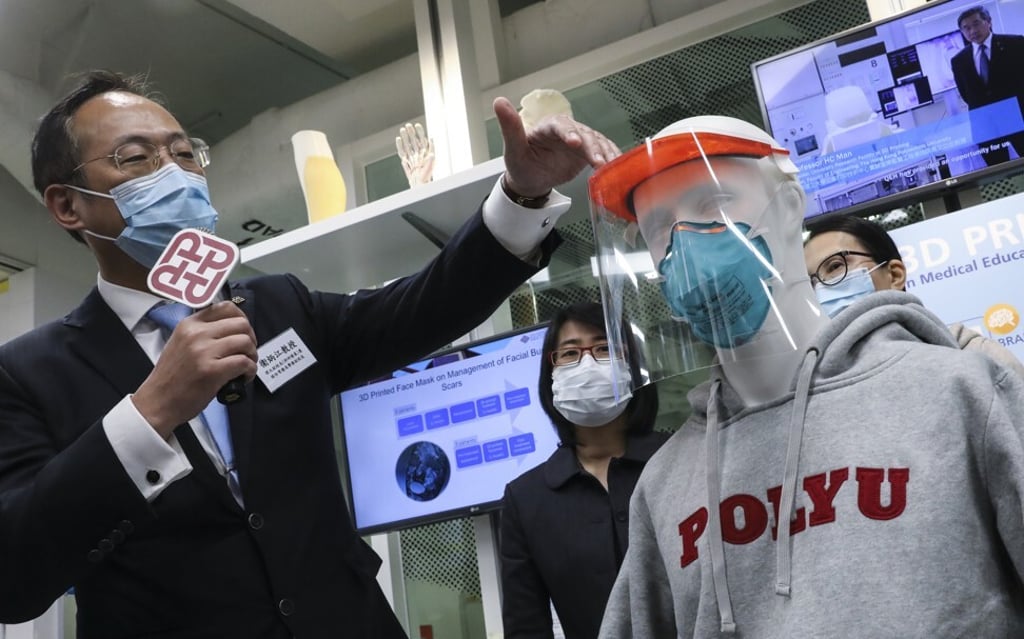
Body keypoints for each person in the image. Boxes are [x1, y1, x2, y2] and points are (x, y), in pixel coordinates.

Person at [0, 70, 620, 638]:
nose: (175, 173)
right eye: (136, 158)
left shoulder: (276, 308)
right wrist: (148, 414)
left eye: (185, 154)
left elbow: (424, 307)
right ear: (66, 205)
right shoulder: (29, 373)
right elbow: (15, 577)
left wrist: (523, 193)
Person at [586, 115, 1024, 636]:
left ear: (790, 207)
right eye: (659, 229)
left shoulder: (961, 395)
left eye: (714, 204)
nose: (686, 244)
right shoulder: (663, 485)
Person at [498, 301, 666, 639]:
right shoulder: (527, 500)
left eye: (604, 348)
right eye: (570, 354)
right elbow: (526, 627)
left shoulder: (675, 458)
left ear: (631, 365)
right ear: (552, 371)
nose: (587, 364)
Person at [804, 213, 1024, 377]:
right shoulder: (816, 390)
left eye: (834, 267)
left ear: (895, 274)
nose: (822, 289)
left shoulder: (979, 358)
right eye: (810, 282)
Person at [950, 5, 1024, 166]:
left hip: (1018, 116)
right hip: (985, 125)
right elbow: (966, 95)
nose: (972, 31)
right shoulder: (958, 61)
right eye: (966, 28)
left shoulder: (1016, 44)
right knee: (998, 175)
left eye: (976, 24)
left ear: (988, 22)